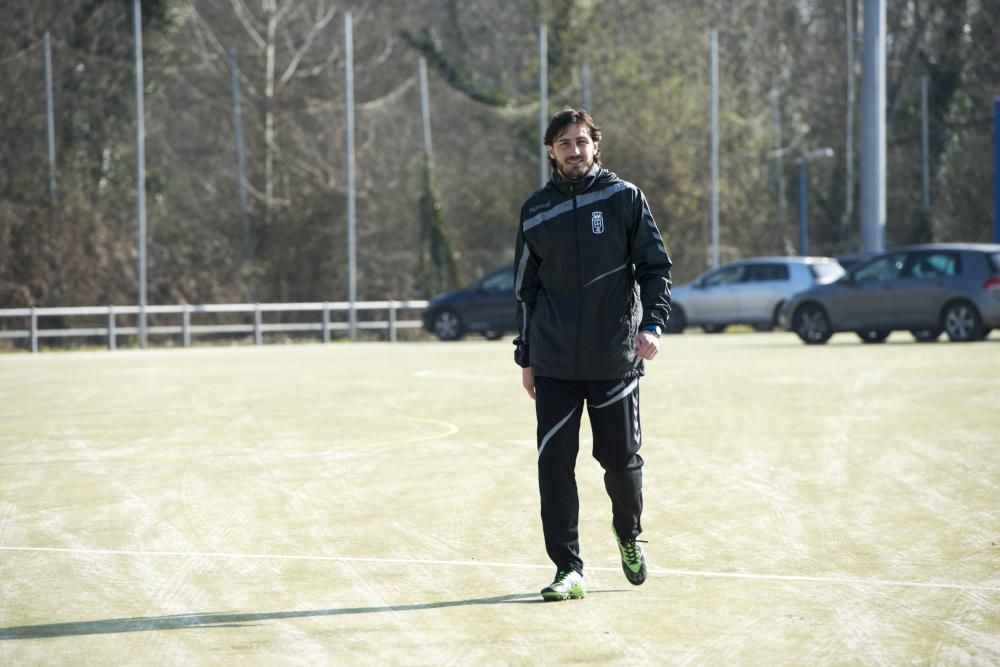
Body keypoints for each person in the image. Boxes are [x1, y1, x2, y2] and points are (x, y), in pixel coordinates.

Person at [512, 108, 672, 602]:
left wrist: (651, 324)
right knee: (553, 466)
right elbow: (526, 290)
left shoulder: (624, 198)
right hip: (556, 362)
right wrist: (527, 356)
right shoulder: (536, 210)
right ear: (551, 152)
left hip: (614, 359)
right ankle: (569, 568)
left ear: (595, 146)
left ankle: (628, 535)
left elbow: (655, 267)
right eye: (564, 143)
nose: (574, 150)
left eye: (582, 141)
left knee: (620, 464)